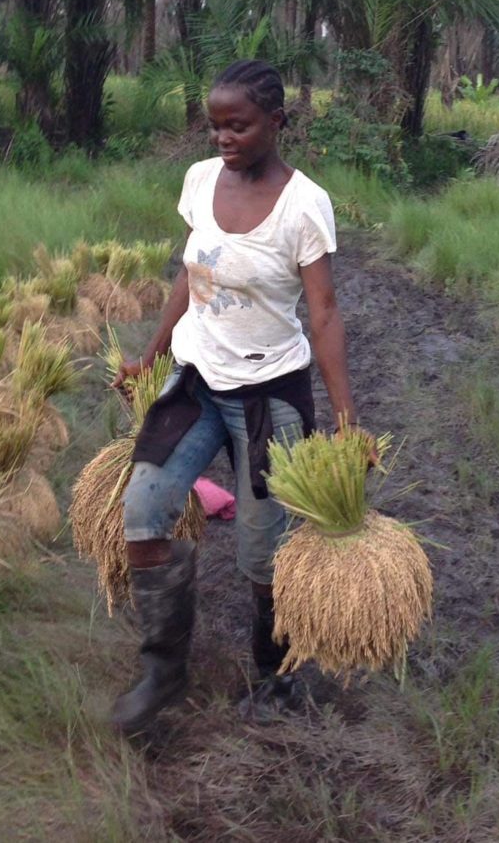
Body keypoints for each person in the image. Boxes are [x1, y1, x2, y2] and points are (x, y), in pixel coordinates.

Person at [110, 59, 367, 734]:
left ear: (277, 123)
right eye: (216, 124)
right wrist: (152, 353)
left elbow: (327, 315)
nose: (223, 137)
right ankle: (162, 670)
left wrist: (345, 424)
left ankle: (273, 676)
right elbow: (191, 272)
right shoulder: (199, 181)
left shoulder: (304, 205)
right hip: (195, 381)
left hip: (269, 396)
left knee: (263, 553)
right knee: (143, 512)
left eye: (239, 125)